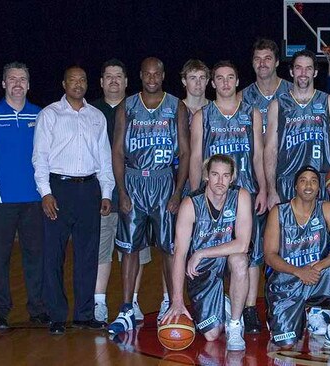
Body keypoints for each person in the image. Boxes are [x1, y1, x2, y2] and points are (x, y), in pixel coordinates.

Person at [109, 57, 190, 334]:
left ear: (163, 74)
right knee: (130, 249)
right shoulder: (127, 107)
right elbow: (118, 151)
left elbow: (186, 152)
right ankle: (127, 308)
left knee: (169, 248)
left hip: (164, 180)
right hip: (133, 181)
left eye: (157, 73)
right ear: (140, 75)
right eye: (147, 73)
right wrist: (121, 191)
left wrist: (178, 191)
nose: (152, 77)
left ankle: (171, 302)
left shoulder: (175, 105)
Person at [32, 66, 115, 335]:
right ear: (63, 83)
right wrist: (45, 192)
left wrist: (105, 193)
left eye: (82, 80)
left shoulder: (96, 116)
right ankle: (57, 315)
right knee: (53, 255)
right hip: (59, 189)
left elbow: (104, 158)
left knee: (88, 256)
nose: (78, 84)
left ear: (87, 84)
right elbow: (40, 157)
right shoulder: (50, 114)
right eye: (73, 80)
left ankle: (83, 314)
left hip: (89, 190)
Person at [189, 60, 267, 333]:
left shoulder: (252, 113)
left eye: (230, 77)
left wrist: (264, 189)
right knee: (215, 248)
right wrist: (195, 192)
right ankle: (217, 301)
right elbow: (197, 157)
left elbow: (258, 155)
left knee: (251, 254)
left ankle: (248, 308)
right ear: (213, 83)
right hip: (213, 193)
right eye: (219, 78)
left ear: (237, 81)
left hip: (246, 190)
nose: (224, 83)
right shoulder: (203, 115)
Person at [0, 62, 48, 329]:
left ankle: (38, 309)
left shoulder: (40, 116)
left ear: (29, 84)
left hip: (34, 201)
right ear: (3, 84)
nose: (17, 83)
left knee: (36, 257)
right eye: (12, 79)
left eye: (22, 79)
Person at [163, 154, 252, 351]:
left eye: (225, 176)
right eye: (215, 175)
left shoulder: (241, 196)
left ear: (232, 178)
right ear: (206, 176)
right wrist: (176, 300)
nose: (220, 181)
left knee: (240, 261)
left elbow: (243, 244)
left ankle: (235, 324)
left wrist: (201, 253)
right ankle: (224, 304)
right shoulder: (190, 204)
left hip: (223, 258)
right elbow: (179, 254)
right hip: (202, 270)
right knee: (211, 336)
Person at [264, 165, 330, 351]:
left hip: (316, 276)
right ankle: (291, 315)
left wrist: (318, 266)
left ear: (319, 188)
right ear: (296, 187)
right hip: (286, 282)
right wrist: (299, 271)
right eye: (303, 181)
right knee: (287, 345)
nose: (309, 185)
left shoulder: (327, 208)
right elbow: (269, 256)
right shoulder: (278, 212)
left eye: (314, 181)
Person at [264, 49, 330, 208]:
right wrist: (271, 190)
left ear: (315, 72)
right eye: (298, 68)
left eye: (308, 68)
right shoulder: (278, 105)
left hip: (320, 181)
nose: (303, 73)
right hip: (287, 181)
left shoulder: (328, 101)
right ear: (291, 71)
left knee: (320, 232)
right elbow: (270, 149)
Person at [91, 59, 152, 325]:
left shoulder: (139, 106)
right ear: (102, 81)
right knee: (102, 251)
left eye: (119, 76)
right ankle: (99, 302)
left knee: (136, 251)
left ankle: (133, 301)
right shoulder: (90, 111)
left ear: (127, 82)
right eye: (109, 76)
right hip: (103, 195)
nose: (114, 80)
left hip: (138, 195)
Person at [239, 38, 292, 132]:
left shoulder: (292, 92)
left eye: (267, 59)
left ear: (277, 62)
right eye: (257, 59)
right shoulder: (242, 97)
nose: (262, 63)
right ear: (252, 63)